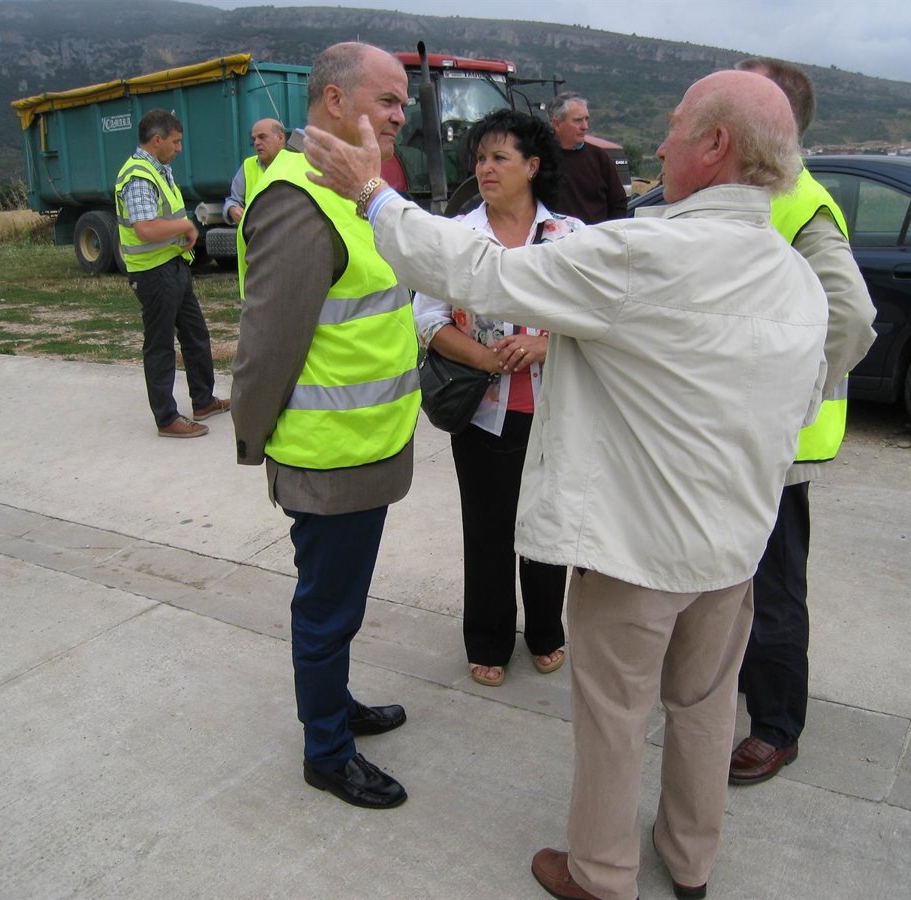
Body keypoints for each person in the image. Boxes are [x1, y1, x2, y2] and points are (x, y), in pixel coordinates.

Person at [304, 69, 829, 900]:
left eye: (676, 125)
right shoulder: (796, 278)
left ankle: (601, 874)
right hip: (735, 551)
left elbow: (480, 273)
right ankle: (690, 861)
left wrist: (373, 194)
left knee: (615, 717)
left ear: (716, 144)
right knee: (704, 710)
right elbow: (803, 402)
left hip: (636, 552)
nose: (660, 143)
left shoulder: (645, 253)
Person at [230, 42, 417, 811]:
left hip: (369, 448)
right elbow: (267, 342)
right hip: (328, 457)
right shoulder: (296, 199)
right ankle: (327, 752)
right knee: (327, 610)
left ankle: (334, 703)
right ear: (335, 102)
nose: (401, 115)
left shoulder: (354, 190)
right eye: (387, 100)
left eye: (403, 102)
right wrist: (252, 439)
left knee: (343, 604)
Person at [727, 56, 877, 786]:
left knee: (773, 588)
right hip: (736, 437)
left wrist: (787, 400)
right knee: (734, 577)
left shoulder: (800, 203)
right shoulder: (751, 195)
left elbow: (851, 318)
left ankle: (776, 727)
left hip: (777, 445)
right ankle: (738, 687)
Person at [414, 110, 581, 688]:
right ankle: (487, 639)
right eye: (480, 158)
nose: (485, 168)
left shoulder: (570, 236)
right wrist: (488, 360)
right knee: (487, 530)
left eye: (500, 157)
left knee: (547, 526)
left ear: (532, 166)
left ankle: (546, 631)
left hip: (556, 412)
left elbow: (599, 319)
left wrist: (543, 346)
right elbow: (428, 321)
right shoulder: (457, 237)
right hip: (484, 415)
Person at [114, 108, 228, 438]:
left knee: (195, 335)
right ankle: (166, 418)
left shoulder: (160, 170)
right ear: (156, 140)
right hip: (153, 272)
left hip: (174, 266)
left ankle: (203, 401)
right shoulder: (138, 176)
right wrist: (185, 226)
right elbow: (146, 228)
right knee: (161, 345)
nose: (179, 148)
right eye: (175, 142)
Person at [546, 92, 627, 224]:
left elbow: (619, 203)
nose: (585, 127)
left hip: (595, 235)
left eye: (586, 119)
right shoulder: (541, 159)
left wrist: (607, 232)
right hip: (554, 236)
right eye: (578, 120)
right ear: (557, 124)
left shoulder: (599, 157)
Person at [222, 118, 287, 226]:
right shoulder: (248, 166)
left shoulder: (297, 164)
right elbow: (234, 200)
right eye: (254, 139)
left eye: (262, 137)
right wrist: (231, 209)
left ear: (280, 138)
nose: (256, 142)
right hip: (256, 234)